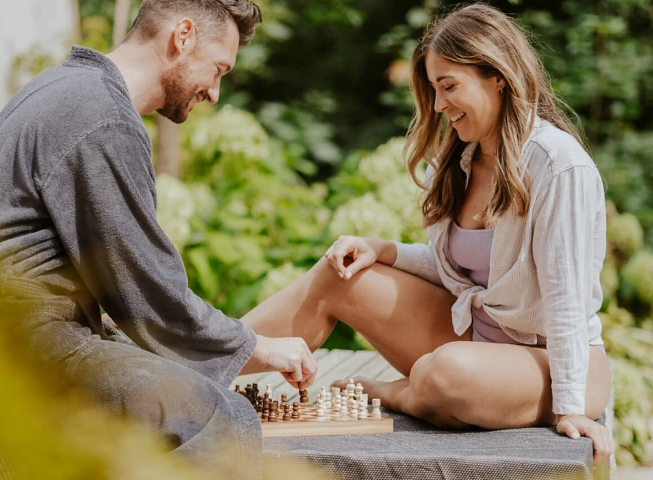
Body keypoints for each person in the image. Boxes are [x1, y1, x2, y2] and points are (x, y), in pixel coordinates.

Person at [0, 0, 316, 476]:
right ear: (182, 36)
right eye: (218, 69)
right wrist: (258, 345)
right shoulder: (102, 116)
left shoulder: (61, 86)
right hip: (13, 346)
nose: (215, 93)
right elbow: (148, 292)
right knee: (215, 417)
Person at [242, 3, 613, 467]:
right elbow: (465, 268)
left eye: (449, 86)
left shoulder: (558, 165)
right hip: (471, 334)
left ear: (497, 75)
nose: (439, 106)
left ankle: (398, 393)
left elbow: (566, 297)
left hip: (547, 363)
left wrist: (572, 408)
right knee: (343, 272)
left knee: (448, 371)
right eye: (435, 90)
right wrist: (383, 251)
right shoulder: (458, 161)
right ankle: (204, 361)